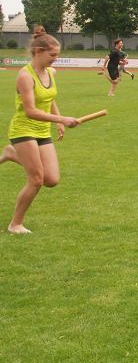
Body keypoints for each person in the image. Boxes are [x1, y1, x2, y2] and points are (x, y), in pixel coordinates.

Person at [1, 30, 80, 234]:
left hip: (43, 130)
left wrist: (58, 120)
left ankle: (10, 153)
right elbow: (31, 111)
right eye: (52, 55)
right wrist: (62, 119)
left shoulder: (51, 72)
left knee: (51, 179)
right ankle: (15, 224)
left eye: (57, 54)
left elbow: (49, 98)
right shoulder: (25, 76)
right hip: (23, 129)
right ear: (38, 51)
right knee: (36, 180)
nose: (56, 58)